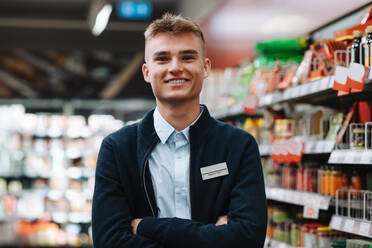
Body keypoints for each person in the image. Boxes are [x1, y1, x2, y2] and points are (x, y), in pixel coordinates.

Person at [92, 13, 267, 248]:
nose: (175, 68)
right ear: (146, 72)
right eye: (163, 59)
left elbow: (247, 237)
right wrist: (213, 236)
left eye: (187, 57)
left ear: (205, 67)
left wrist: (146, 226)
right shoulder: (117, 149)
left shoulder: (238, 145)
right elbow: (109, 241)